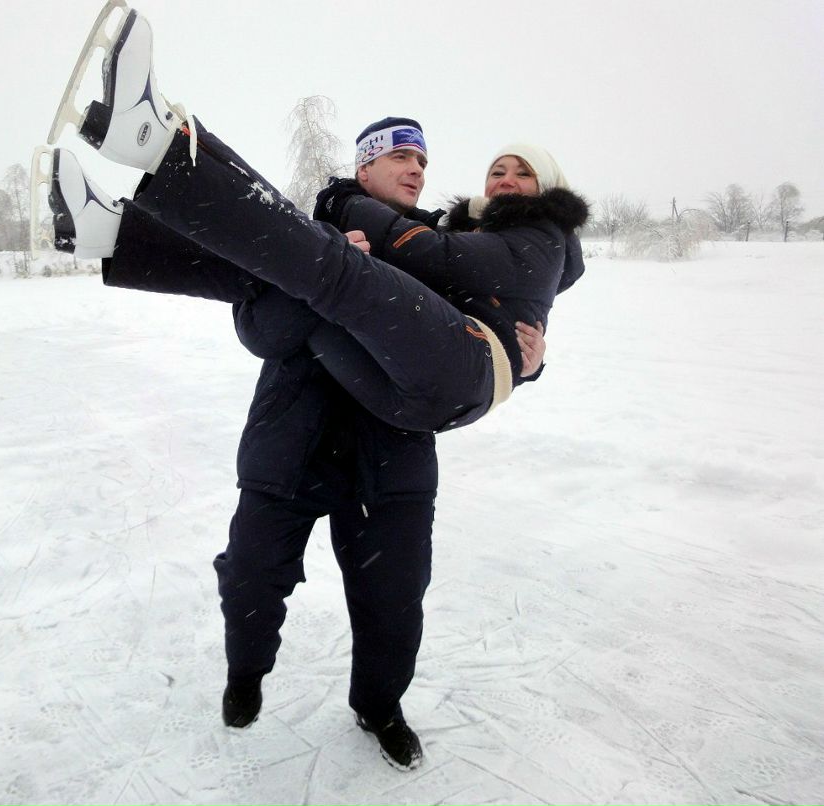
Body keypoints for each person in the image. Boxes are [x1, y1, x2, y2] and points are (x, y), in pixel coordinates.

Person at [37, 5, 586, 769]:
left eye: (423, 161)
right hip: (291, 443)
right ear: (363, 168)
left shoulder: (440, 244)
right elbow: (261, 331)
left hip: (388, 456)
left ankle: (380, 709)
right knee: (252, 582)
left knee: (394, 602)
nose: (416, 170)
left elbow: (485, 325)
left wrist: (534, 357)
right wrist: (318, 278)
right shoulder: (304, 228)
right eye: (398, 156)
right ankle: (245, 677)